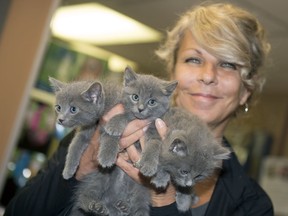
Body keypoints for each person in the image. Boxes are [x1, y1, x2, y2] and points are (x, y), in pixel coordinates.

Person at [4, 2, 273, 216]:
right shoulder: (98, 130)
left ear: (245, 91)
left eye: (228, 64)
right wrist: (84, 165)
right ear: (172, 74)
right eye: (194, 59)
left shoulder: (252, 205)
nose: (208, 75)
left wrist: (164, 201)